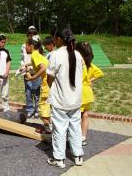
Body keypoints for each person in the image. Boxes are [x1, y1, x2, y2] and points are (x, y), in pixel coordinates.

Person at [46, 27, 84, 168]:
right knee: (75, 128)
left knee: (59, 130)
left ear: (59, 40)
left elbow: (50, 77)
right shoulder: (77, 54)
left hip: (61, 100)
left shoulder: (56, 54)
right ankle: (78, 156)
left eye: (55, 38)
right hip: (75, 100)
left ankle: (59, 159)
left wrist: (53, 88)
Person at [75, 41, 104, 146]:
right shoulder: (89, 64)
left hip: (79, 92)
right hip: (88, 93)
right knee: (85, 115)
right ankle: (83, 137)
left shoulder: (79, 63)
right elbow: (100, 73)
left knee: (76, 116)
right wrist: (90, 80)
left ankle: (76, 137)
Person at [25, 39, 51, 133]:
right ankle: (48, 126)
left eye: (26, 46)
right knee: (47, 105)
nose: (25, 48)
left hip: (46, 84)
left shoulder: (34, 55)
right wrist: (28, 64)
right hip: (50, 83)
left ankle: (47, 126)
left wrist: (33, 77)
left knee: (42, 106)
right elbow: (42, 63)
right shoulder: (38, 54)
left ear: (31, 46)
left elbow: (43, 67)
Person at [20, 28, 42, 118]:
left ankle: (37, 110)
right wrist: (24, 68)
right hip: (27, 71)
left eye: (33, 34)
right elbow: (23, 59)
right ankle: (30, 109)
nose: (31, 36)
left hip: (36, 72)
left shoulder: (39, 47)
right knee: (28, 92)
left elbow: (40, 60)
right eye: (30, 34)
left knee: (37, 92)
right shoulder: (24, 46)